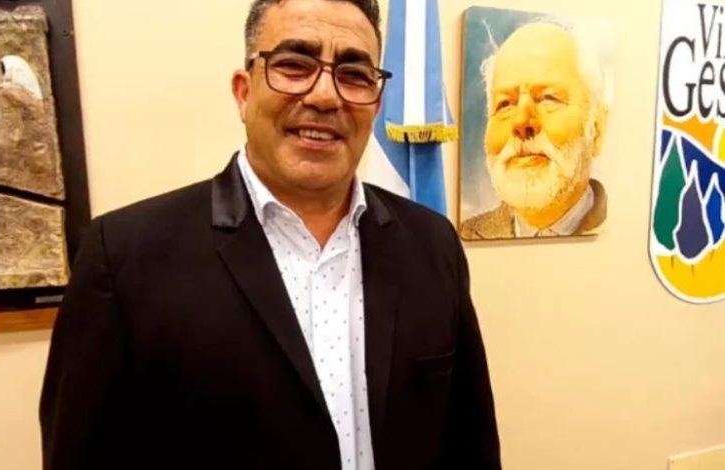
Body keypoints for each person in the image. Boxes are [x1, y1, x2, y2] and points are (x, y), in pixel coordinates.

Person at [40, 0, 501, 469]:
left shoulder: (431, 243)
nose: (326, 96)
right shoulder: (123, 258)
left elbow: (469, 442)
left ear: (376, 104)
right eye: (294, 65)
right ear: (243, 92)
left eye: (354, 75)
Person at [460, 21, 609, 240]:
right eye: (505, 104)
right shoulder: (462, 236)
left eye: (548, 98)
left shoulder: (629, 231)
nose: (521, 121)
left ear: (596, 130)